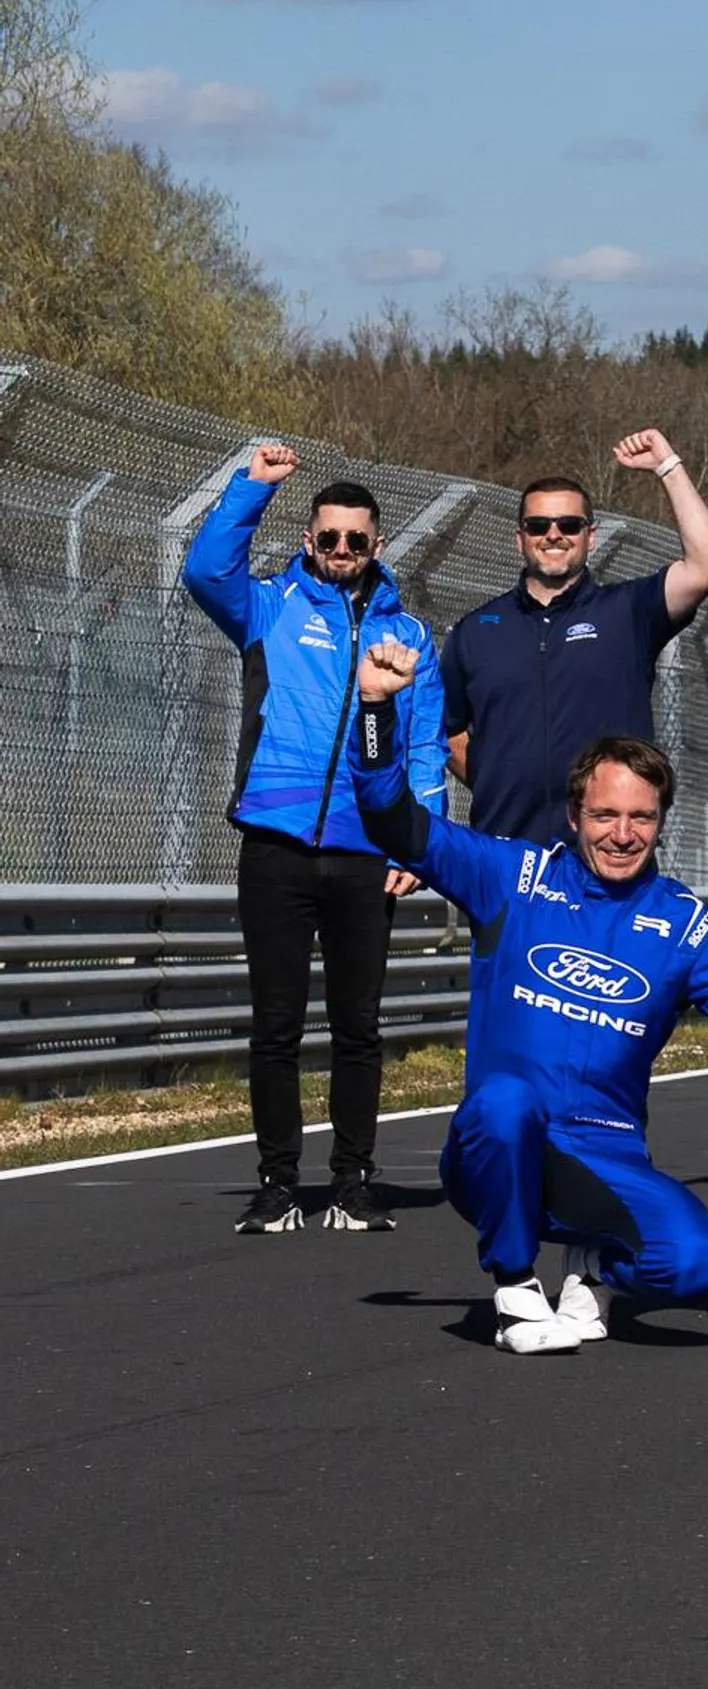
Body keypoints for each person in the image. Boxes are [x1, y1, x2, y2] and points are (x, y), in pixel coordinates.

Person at [344, 635, 708, 1356]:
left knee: (692, 1264)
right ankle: (517, 1289)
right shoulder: (510, 876)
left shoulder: (687, 924)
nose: (622, 834)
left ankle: (590, 1260)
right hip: (497, 1143)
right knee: (504, 1098)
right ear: (574, 815)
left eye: (641, 818)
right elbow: (390, 818)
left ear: (660, 821)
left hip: (607, 1154)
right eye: (606, 815)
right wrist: (374, 708)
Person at [181, 443, 445, 1235]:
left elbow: (427, 745)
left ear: (376, 546)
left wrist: (413, 846)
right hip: (275, 845)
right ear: (307, 540)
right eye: (326, 538)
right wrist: (248, 490)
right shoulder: (267, 607)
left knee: (359, 1024)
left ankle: (354, 1183)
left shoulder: (410, 636)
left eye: (354, 541)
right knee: (277, 1023)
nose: (339, 552)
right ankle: (276, 1183)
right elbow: (202, 571)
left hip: (366, 853)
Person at [442, 431, 708, 841]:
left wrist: (667, 466)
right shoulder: (475, 631)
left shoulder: (629, 612)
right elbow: (447, 730)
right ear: (519, 538)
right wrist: (497, 778)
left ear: (590, 536)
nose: (554, 534)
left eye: (570, 525)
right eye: (538, 525)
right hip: (505, 852)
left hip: (609, 853)